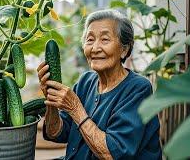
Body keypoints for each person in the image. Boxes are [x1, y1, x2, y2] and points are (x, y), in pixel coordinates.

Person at [37, 9, 162, 160]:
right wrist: (51, 100)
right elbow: (55, 133)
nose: (95, 48)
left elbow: (112, 154)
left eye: (105, 39)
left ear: (124, 49)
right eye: (90, 40)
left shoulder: (138, 88)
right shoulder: (85, 82)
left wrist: (76, 108)